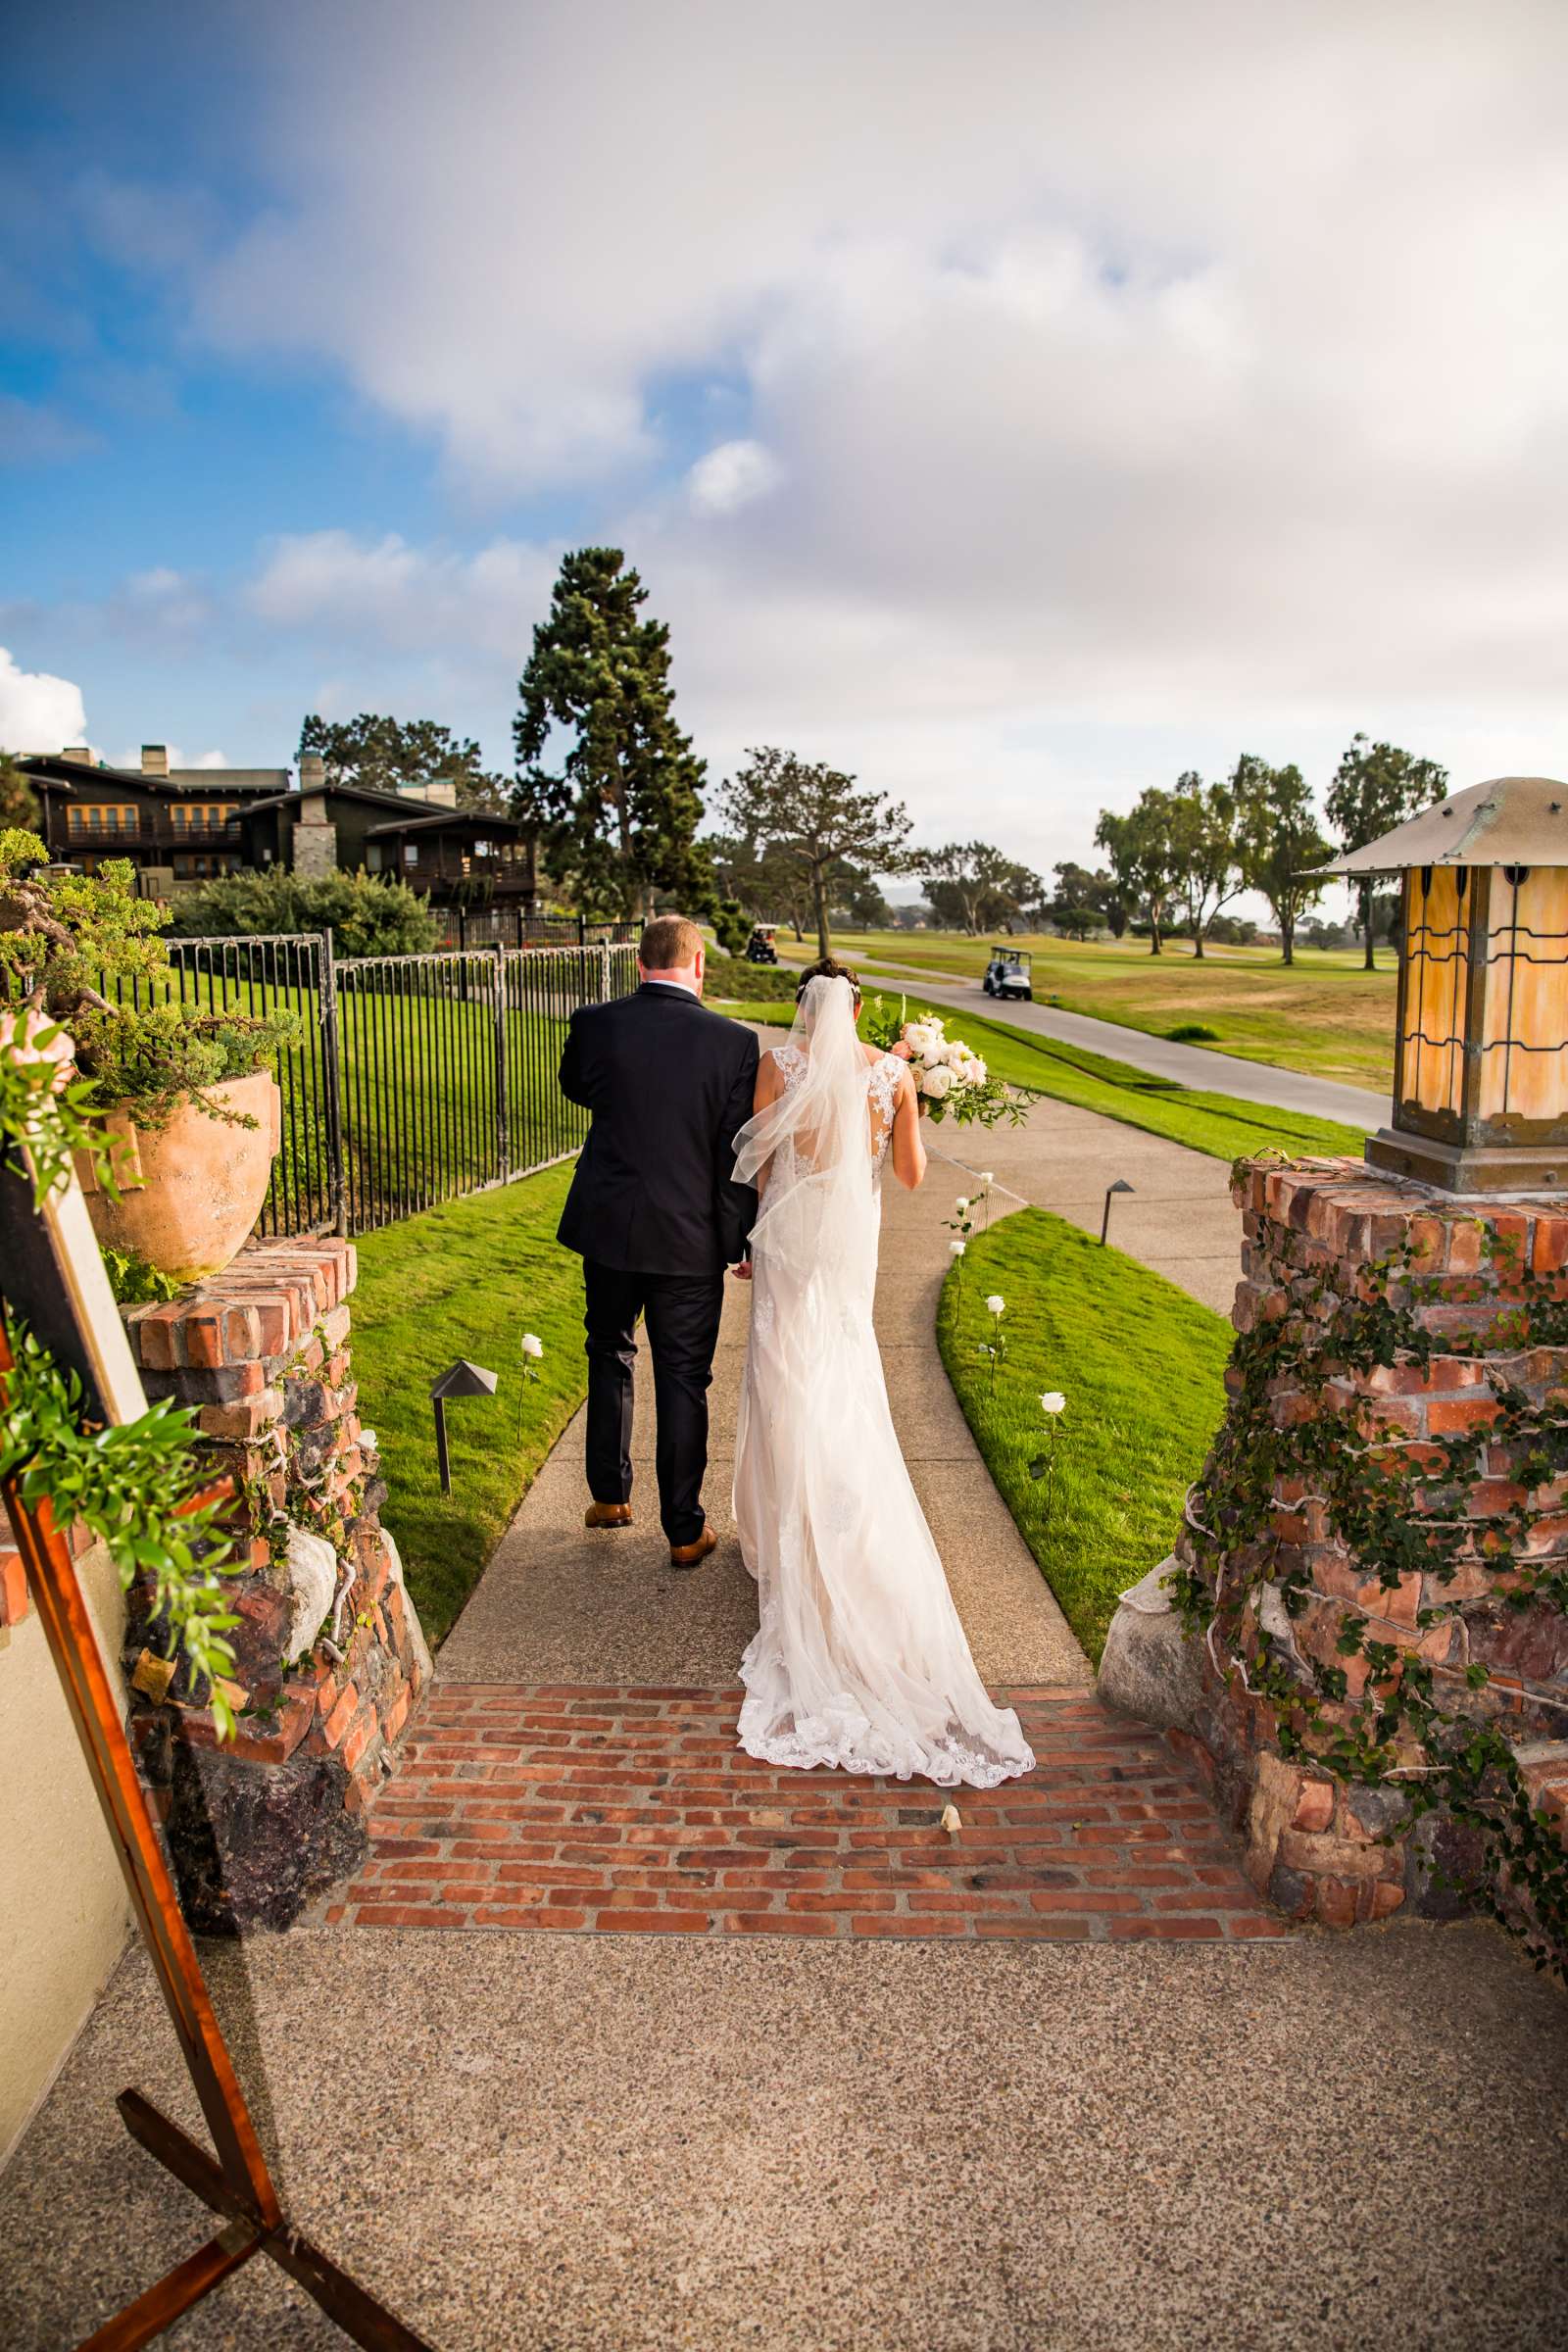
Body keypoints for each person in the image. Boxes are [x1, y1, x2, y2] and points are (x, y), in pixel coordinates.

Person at [730, 960, 1035, 1787]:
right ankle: (840, 1517)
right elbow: (908, 1176)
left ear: (802, 1009)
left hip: (791, 1242)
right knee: (842, 1367)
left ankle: (782, 1525)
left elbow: (760, 1163)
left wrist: (754, 1244)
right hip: (848, 1242)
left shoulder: (778, 1065)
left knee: (783, 1372)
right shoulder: (892, 1073)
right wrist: (908, 1104)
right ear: (860, 1008)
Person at [557, 914, 759, 1567]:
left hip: (609, 1226)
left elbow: (576, 1086)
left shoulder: (595, 1024)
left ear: (639, 964)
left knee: (608, 1350)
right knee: (683, 1378)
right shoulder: (734, 1043)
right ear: (699, 965)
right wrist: (740, 1240)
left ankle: (611, 1497)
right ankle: (683, 1530)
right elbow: (737, 1155)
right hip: (688, 1239)